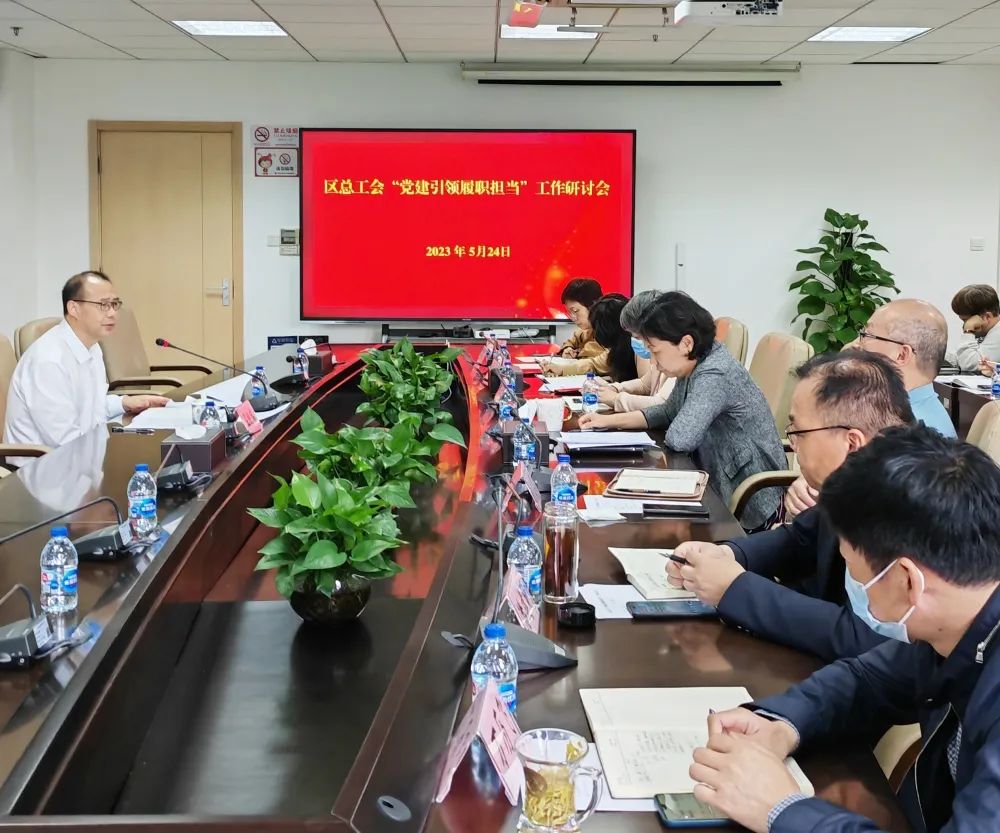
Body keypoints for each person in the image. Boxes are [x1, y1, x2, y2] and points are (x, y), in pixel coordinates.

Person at [692, 426, 1000, 833]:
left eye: (854, 572)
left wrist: (782, 809)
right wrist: (782, 726)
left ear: (908, 581)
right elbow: (868, 678)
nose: (853, 586)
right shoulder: (952, 624)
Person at [668, 351, 914, 661]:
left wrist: (735, 588)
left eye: (798, 433)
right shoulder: (859, 480)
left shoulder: (909, 504)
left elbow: (865, 639)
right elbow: (801, 538)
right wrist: (727, 554)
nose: (793, 445)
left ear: (851, 443)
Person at [580, 292, 785, 531]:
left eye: (656, 352)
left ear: (686, 343)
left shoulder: (714, 373)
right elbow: (667, 412)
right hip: (717, 485)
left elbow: (681, 437)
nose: (654, 363)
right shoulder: (696, 361)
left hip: (750, 502)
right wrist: (607, 421)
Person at [784, 298, 956, 520]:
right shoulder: (885, 406)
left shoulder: (913, 436)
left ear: (901, 354)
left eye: (868, 335)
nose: (856, 344)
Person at [4, 271, 168, 461]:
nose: (112, 313)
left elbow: (89, 407)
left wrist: (124, 403)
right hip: (40, 468)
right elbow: (64, 440)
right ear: (74, 308)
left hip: (77, 457)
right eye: (103, 305)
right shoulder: (48, 360)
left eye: (114, 304)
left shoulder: (91, 346)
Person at [596, 289, 676, 412]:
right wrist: (615, 388)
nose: (637, 342)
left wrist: (615, 399)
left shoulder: (678, 358)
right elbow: (644, 384)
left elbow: (662, 405)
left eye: (638, 337)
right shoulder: (657, 351)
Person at [543, 293, 637, 382]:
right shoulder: (617, 345)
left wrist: (615, 388)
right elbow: (594, 364)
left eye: (575, 311)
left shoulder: (638, 347)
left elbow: (643, 386)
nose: (573, 318)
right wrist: (562, 368)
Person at [947, 283, 1000, 371]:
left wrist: (968, 331)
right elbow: (959, 357)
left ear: (987, 317)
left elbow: (968, 364)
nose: (964, 325)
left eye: (966, 321)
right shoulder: (987, 332)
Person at [556, 278, 603, 360]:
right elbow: (570, 342)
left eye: (575, 311)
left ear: (593, 306)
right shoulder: (586, 332)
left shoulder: (608, 332)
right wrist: (568, 349)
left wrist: (577, 353)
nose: (573, 318)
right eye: (569, 313)